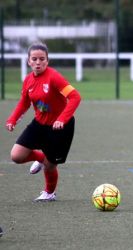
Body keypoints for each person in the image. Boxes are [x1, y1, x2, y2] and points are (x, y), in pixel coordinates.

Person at [5, 42, 81, 202]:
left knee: (51, 165)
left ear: (47, 61)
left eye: (42, 59)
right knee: (16, 156)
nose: (38, 62)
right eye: (34, 59)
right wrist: (12, 119)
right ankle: (41, 159)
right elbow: (24, 102)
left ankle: (49, 193)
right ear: (28, 61)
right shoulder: (28, 80)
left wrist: (62, 119)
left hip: (60, 128)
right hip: (39, 124)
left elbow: (75, 97)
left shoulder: (54, 77)